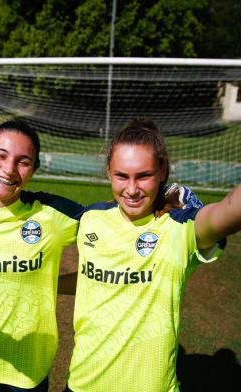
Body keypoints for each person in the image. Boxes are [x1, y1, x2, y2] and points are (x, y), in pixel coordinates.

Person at [0, 119, 202, 392]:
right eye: (0, 155)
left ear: (34, 169)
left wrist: (162, 196)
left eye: (23, 161)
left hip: (27, 372)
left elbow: (111, 217)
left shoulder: (51, 214)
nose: (9, 168)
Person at [65, 118, 241, 392]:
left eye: (143, 175)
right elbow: (93, 279)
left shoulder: (180, 227)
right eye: (122, 175)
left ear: (162, 172)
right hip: (83, 383)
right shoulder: (91, 218)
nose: (132, 189)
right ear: (108, 172)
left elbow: (230, 211)